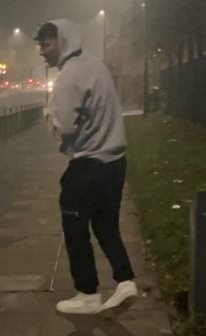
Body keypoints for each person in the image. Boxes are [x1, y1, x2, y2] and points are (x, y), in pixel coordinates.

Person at [34, 19, 138, 315]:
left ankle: (87, 293)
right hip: (114, 161)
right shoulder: (94, 65)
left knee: (74, 228)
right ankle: (125, 280)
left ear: (61, 42)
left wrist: (49, 116)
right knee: (106, 224)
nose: (42, 52)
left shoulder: (69, 76)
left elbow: (65, 127)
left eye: (46, 44)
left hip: (88, 165)